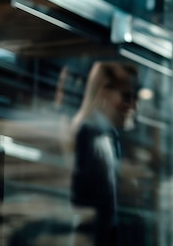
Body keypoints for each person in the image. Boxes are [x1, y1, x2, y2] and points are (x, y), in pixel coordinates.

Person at [69, 61, 138, 246]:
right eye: (126, 96)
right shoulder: (87, 135)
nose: (132, 105)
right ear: (104, 92)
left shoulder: (108, 138)